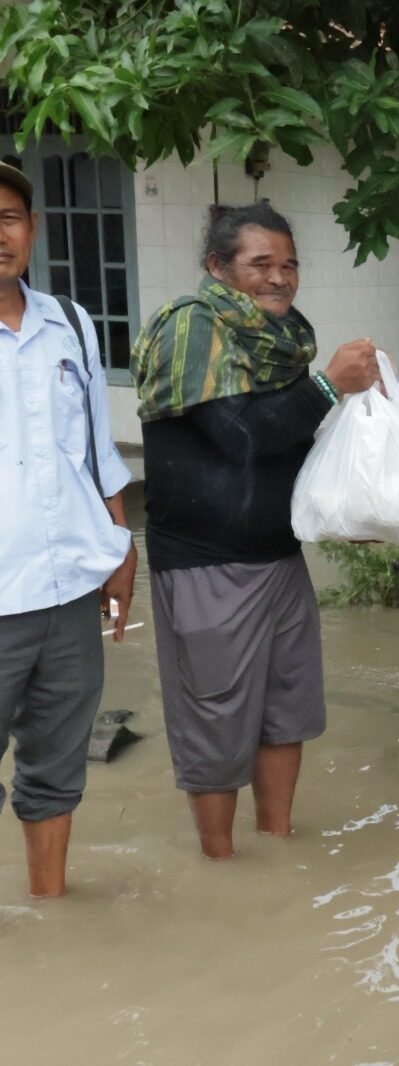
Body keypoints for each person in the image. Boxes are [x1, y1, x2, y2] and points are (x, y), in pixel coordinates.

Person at [131, 203, 378, 860]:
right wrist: (329, 386)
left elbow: (290, 445)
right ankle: (221, 864)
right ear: (219, 266)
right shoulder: (192, 328)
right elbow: (241, 437)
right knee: (214, 721)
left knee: (284, 712)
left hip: (279, 560)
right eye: (260, 264)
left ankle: (277, 850)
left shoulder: (283, 340)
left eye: (289, 264)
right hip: (205, 565)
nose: (279, 278)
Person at [0, 158, 137, 897]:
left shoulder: (72, 325)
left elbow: (95, 453)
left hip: (66, 594)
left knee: (55, 765)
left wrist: (121, 547)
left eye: (9, 217)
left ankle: (48, 910)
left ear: (33, 230)